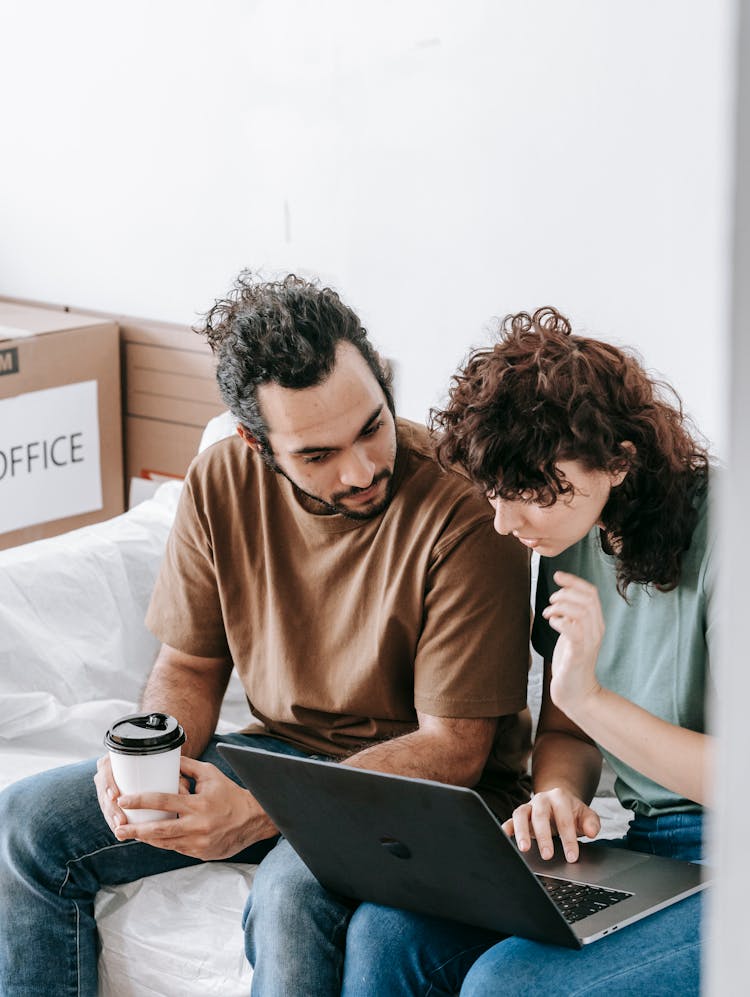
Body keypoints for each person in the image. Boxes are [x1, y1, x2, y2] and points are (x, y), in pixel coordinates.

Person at [0, 272, 532, 997]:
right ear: (256, 442)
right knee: (28, 823)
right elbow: (189, 664)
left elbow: (456, 749)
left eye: (372, 424)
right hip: (281, 758)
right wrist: (147, 762)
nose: (363, 468)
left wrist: (261, 812)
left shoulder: (463, 507)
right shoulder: (220, 479)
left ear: (383, 383)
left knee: (290, 895)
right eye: (318, 454)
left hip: (424, 794)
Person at [338, 306, 713, 996]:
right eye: (495, 493)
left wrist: (588, 697)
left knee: (508, 985)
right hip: (651, 849)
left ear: (620, 461)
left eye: (530, 494)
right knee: (387, 931)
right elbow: (569, 730)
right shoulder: (576, 530)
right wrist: (557, 796)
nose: (505, 524)